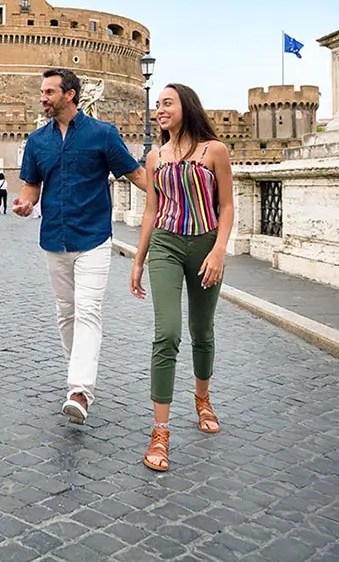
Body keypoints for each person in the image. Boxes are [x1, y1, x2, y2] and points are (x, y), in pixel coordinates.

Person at [14, 68, 149, 425]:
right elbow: (31, 189)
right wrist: (25, 204)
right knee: (66, 313)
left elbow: (135, 174)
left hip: (93, 237)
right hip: (54, 239)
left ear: (70, 94)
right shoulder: (37, 141)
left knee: (88, 310)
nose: (43, 97)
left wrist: (170, 199)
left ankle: (78, 389)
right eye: (42, 92)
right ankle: (81, 373)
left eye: (49, 92)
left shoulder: (103, 134)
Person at [129, 84, 235, 472]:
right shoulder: (155, 156)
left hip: (206, 244)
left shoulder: (214, 152)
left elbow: (226, 206)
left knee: (201, 330)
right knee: (167, 333)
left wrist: (219, 250)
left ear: (186, 106)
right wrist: (139, 259)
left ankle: (202, 398)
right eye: (157, 105)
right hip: (166, 246)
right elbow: (151, 211)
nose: (159, 110)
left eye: (167, 103)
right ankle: (160, 432)